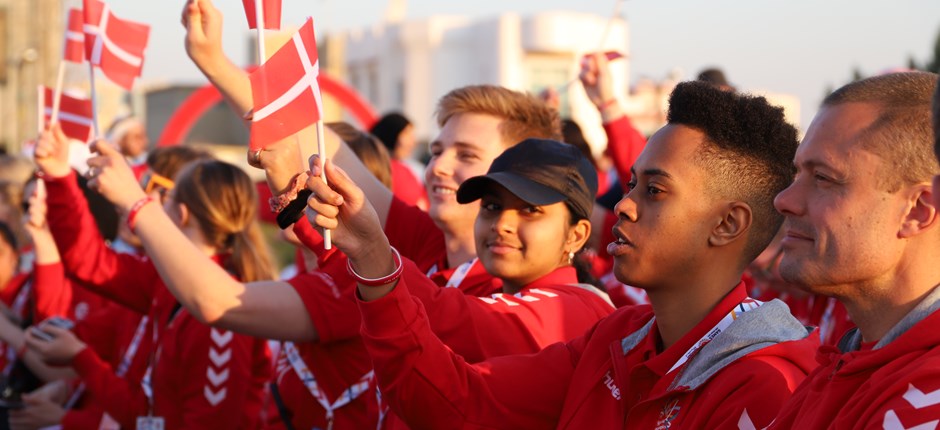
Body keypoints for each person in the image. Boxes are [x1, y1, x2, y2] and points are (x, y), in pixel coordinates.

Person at [307, 81, 817, 428]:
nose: (624, 206)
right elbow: (460, 401)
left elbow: (452, 328)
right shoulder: (615, 339)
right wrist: (373, 257)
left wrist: (377, 259)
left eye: (655, 192)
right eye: (632, 184)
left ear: (728, 224)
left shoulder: (765, 387)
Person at [27, 124, 274, 429]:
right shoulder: (165, 277)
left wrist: (81, 363)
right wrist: (58, 175)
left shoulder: (222, 311)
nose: (148, 199)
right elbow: (90, 261)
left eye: (158, 191)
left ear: (181, 214)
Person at [770, 72, 940, 428]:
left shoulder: (927, 400)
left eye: (823, 178)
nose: (784, 200)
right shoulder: (841, 366)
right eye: (797, 173)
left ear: (917, 211)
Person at [370, 112, 428, 210]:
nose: (412, 141)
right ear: (391, 134)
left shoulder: (406, 168)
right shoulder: (383, 169)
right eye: (407, 134)